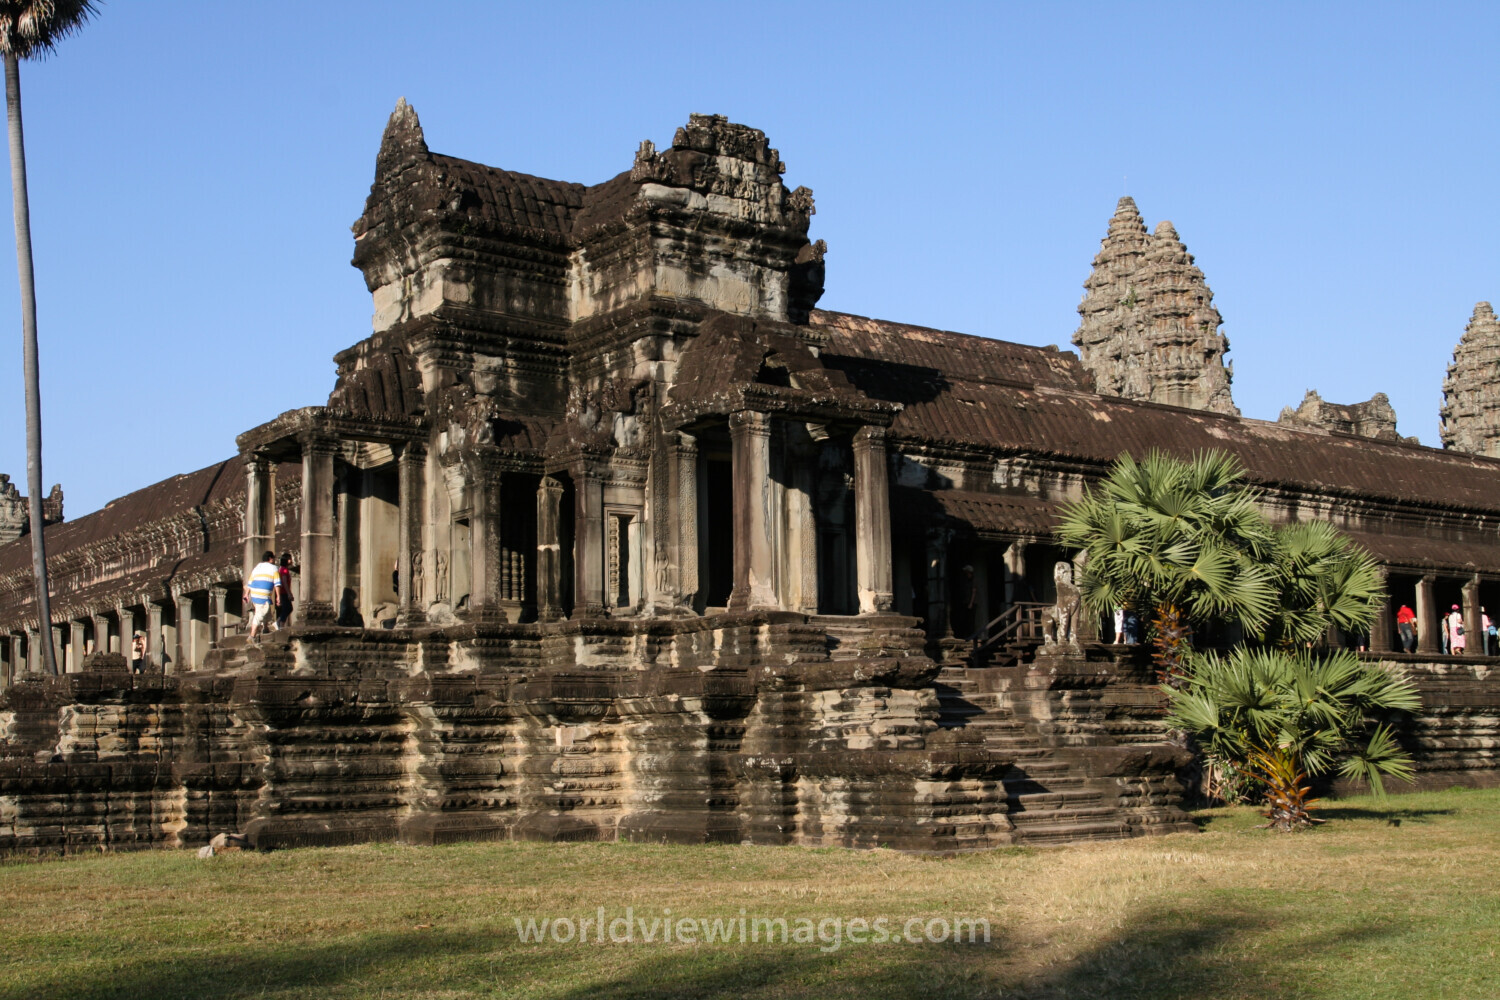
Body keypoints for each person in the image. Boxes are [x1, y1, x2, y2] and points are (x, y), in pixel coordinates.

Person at [243, 550, 282, 642]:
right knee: (259, 614)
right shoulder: (274, 568)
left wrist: (246, 594)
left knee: (266, 611)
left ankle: (265, 628)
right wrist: (278, 596)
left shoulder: (257, 567)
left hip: (255, 593)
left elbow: (250, 582)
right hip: (263, 594)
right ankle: (252, 636)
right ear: (270, 559)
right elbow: (277, 584)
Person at [275, 552, 296, 630]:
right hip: (283, 592)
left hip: (283, 592)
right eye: (290, 559)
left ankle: (280, 621)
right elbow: (284, 582)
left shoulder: (283, 569)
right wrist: (289, 593)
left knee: (288, 608)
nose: (291, 561)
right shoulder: (284, 570)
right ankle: (281, 624)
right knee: (287, 608)